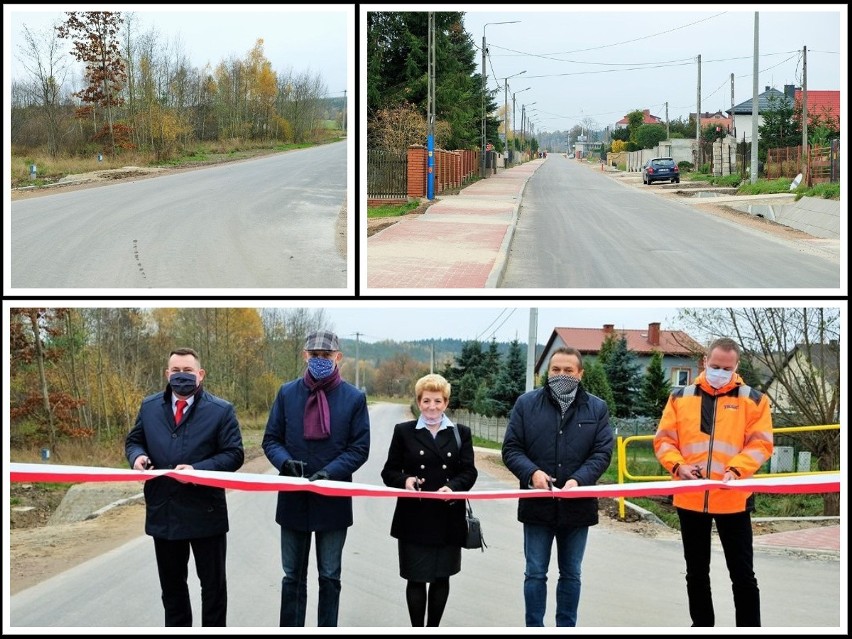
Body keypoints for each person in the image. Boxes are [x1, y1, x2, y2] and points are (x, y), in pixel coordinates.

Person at [653, 337, 774, 627]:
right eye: (716, 365)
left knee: (743, 573)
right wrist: (678, 466)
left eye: (727, 367)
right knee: (696, 572)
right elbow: (664, 441)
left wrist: (736, 470)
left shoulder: (754, 400)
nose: (720, 371)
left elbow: (761, 445)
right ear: (705, 361)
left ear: (737, 366)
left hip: (733, 499)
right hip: (690, 497)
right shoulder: (680, 397)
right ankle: (702, 625)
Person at [125, 347, 244, 627]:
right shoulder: (150, 406)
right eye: (175, 371)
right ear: (167, 374)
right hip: (164, 513)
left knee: (213, 591)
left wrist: (198, 470)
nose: (181, 376)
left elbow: (234, 454)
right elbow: (134, 441)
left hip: (206, 514)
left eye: (188, 371)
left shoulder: (221, 411)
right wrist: (137, 456)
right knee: (173, 592)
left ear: (200, 375)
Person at [262, 330, 370, 627]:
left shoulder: (354, 398)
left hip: (333, 500)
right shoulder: (287, 393)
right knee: (292, 577)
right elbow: (271, 439)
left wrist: (330, 472)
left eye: (326, 355)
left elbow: (360, 448)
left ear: (338, 358)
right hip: (293, 498)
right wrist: (285, 463)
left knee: (330, 577)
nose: (319, 360)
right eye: (314, 355)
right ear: (304, 356)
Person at [501, 347, 614, 627]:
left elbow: (602, 452)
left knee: (571, 574)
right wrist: (532, 473)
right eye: (556, 370)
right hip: (537, 504)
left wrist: (580, 479)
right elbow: (512, 449)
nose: (561, 375)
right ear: (547, 372)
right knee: (535, 573)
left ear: (580, 374)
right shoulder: (526, 405)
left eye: (568, 371)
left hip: (577, 506)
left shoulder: (596, 408)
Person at [380, 373, 478, 627]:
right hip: (414, 517)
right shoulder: (404, 432)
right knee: (415, 579)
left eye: (437, 401)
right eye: (426, 401)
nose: (432, 407)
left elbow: (469, 471)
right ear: (418, 402)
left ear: (446, 403)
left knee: (441, 578)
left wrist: (452, 487)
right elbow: (388, 471)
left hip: (448, 517)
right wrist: (406, 481)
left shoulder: (461, 433)